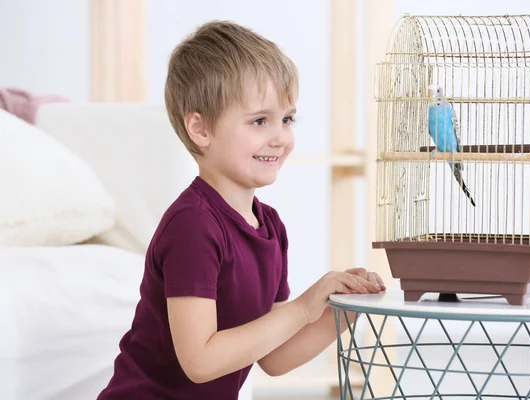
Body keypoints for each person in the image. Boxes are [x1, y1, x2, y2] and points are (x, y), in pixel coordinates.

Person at [97, 20, 386, 400]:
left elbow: (274, 357)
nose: (280, 137)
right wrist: (301, 308)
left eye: (287, 119)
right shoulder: (193, 226)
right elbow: (199, 360)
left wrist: (341, 310)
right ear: (201, 129)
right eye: (259, 121)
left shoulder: (270, 228)